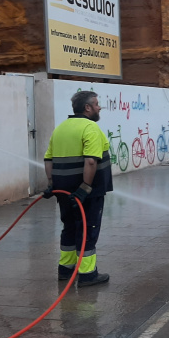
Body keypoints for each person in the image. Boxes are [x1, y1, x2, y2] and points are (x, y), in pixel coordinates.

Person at [42, 91, 113, 287]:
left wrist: (51, 184)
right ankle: (87, 274)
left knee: (70, 227)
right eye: (97, 104)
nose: (99, 107)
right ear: (87, 108)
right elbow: (90, 161)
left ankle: (66, 270)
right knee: (88, 229)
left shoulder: (61, 128)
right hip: (87, 193)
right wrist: (85, 188)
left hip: (63, 191)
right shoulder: (90, 127)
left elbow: (48, 159)